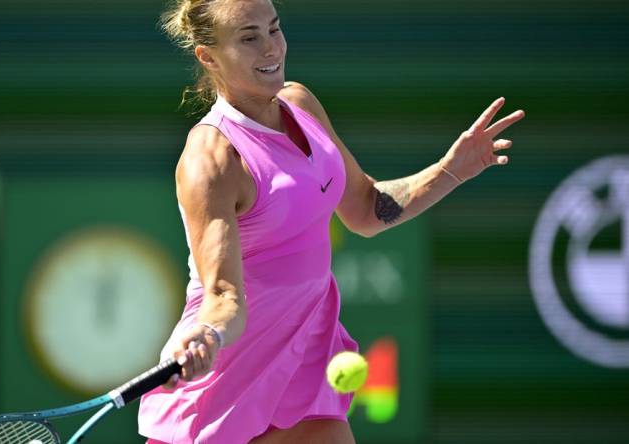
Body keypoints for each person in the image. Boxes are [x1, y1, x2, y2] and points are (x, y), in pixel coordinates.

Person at [137, 0, 525, 442]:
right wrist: (205, 333)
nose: (271, 48)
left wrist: (450, 170)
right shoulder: (211, 160)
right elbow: (224, 294)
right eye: (249, 37)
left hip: (305, 350)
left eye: (275, 29)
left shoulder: (300, 103)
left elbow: (365, 208)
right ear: (208, 56)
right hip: (230, 373)